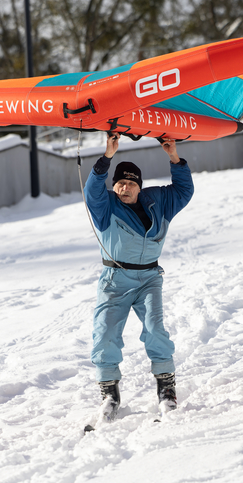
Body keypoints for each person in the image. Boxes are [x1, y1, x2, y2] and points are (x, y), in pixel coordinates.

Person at [83, 133, 194, 422]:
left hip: (148, 279)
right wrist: (107, 157)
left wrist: (174, 157)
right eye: (120, 182)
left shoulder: (156, 201)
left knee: (156, 330)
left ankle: (166, 390)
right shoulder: (104, 205)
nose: (125, 187)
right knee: (105, 333)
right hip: (115, 280)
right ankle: (109, 393)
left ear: (139, 187)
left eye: (131, 183)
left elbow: (184, 191)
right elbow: (92, 189)